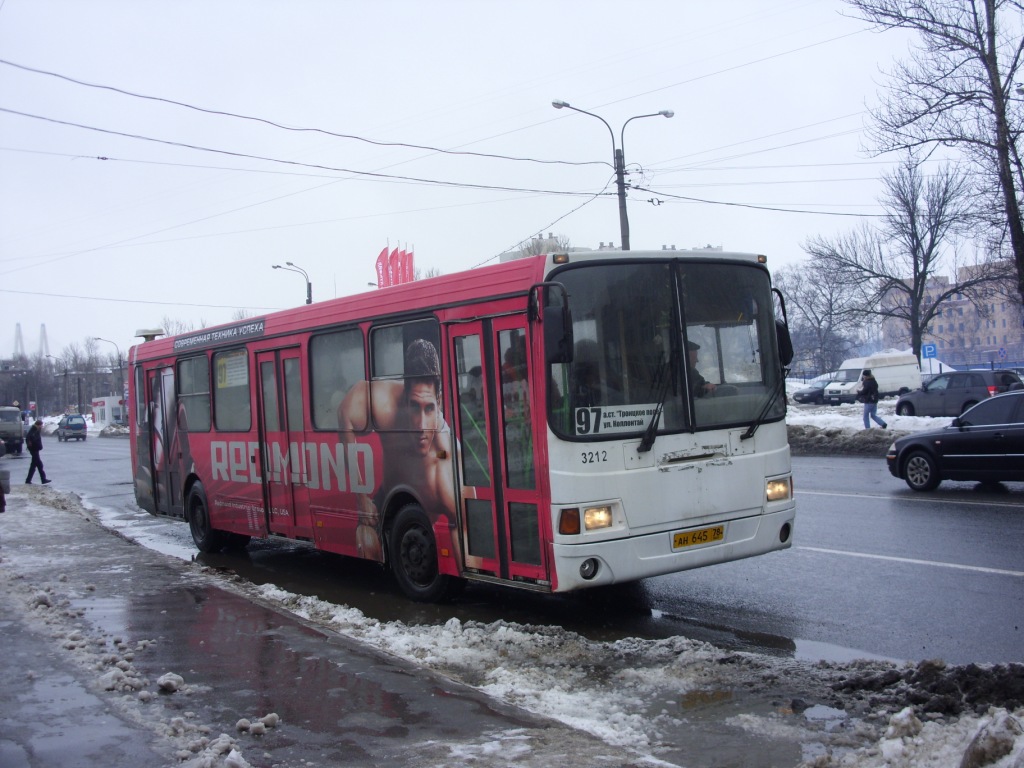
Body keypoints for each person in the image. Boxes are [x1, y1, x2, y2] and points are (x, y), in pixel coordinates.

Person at [338, 338, 458, 563]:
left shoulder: (443, 443)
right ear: (404, 395)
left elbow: (462, 516)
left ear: (438, 403)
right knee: (366, 536)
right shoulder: (382, 403)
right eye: (414, 406)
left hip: (426, 495)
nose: (421, 424)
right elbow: (345, 413)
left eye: (429, 408)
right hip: (389, 493)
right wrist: (360, 496)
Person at [25, 419, 51, 485]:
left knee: (34, 466)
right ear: (38, 425)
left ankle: (29, 480)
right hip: (34, 449)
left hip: (35, 449)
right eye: (41, 425)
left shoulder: (36, 430)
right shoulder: (34, 430)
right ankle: (42, 479)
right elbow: (29, 438)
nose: (41, 427)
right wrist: (32, 444)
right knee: (38, 465)